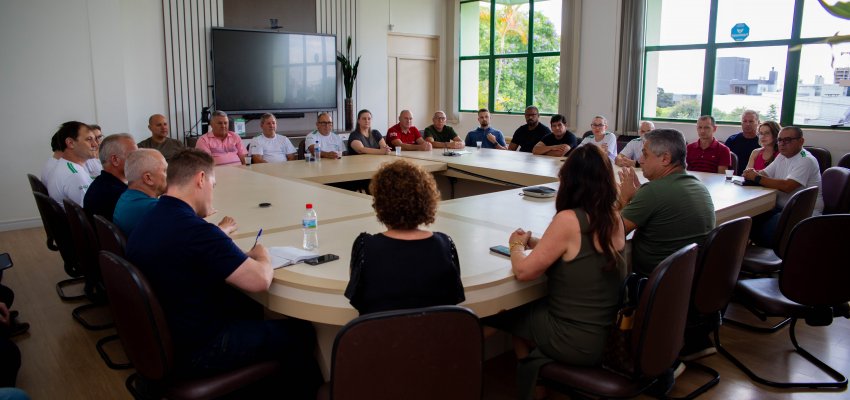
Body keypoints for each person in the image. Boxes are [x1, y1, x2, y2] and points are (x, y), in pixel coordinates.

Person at [125, 149, 321, 395]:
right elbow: (260, 280)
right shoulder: (196, 231)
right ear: (200, 180)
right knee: (300, 332)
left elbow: (191, 258)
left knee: (246, 306)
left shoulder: (151, 217)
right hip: (198, 350)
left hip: (164, 339)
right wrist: (263, 254)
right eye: (213, 184)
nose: (212, 193)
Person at [484, 145, 626, 400]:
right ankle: (537, 380)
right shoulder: (613, 218)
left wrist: (516, 246)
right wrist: (538, 243)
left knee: (499, 314)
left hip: (571, 338)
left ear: (571, 181)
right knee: (526, 316)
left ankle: (458, 376)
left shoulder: (568, 220)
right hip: (602, 335)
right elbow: (580, 251)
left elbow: (524, 271)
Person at [344, 159, 464, 315]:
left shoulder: (365, 247)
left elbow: (359, 300)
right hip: (436, 337)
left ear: (379, 204)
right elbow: (452, 299)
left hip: (380, 338)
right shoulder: (445, 245)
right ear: (426, 202)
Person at [618, 129, 715, 276]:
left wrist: (624, 199)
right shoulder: (698, 185)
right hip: (688, 280)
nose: (640, 159)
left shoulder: (653, 191)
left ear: (665, 159)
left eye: (645, 154)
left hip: (653, 284)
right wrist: (639, 195)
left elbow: (612, 234)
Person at [743, 126, 823, 244]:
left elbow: (787, 186)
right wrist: (752, 173)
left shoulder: (806, 159)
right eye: (780, 140)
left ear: (801, 141)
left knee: (757, 230)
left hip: (801, 212)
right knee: (747, 219)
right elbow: (765, 173)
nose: (782, 144)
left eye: (788, 140)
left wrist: (756, 177)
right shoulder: (782, 156)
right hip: (779, 207)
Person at [113, 149, 168, 236]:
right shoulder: (153, 208)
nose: (168, 175)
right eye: (164, 171)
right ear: (148, 178)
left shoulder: (126, 197)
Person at [44, 121, 98, 209]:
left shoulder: (65, 165)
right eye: (89, 139)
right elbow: (92, 211)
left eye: (95, 139)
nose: (95, 144)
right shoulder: (74, 175)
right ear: (70, 143)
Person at [83, 133, 137, 220]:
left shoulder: (100, 182)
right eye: (133, 155)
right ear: (115, 160)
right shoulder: (121, 195)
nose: (138, 160)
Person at [725, 110, 761, 176]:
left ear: (758, 123)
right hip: (733, 178)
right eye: (745, 121)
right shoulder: (732, 140)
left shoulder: (762, 142)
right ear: (741, 123)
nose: (747, 124)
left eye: (751, 121)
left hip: (754, 180)